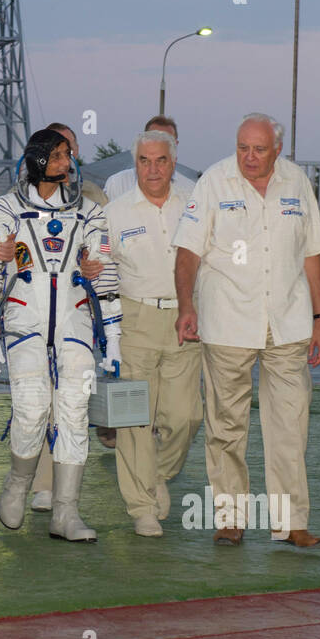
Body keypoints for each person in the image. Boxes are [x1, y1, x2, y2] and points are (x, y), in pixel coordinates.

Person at [172, 113, 320, 548]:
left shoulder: (297, 182)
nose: (249, 157)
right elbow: (187, 251)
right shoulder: (213, 183)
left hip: (289, 324)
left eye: (259, 149)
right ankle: (230, 518)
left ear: (277, 149)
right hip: (226, 324)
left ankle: (291, 522)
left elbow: (313, 253)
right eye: (243, 147)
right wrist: (186, 305)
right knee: (226, 427)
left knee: (290, 426)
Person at [0, 128, 121, 542]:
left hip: (75, 322)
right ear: (40, 160)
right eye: (60, 155)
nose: (68, 162)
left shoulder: (89, 212)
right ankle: (18, 483)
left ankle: (66, 512)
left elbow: (105, 271)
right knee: (31, 406)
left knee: (75, 409)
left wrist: (113, 335)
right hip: (24, 321)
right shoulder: (4, 209)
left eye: (69, 155)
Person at [106, 130, 201, 536]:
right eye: (144, 161)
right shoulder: (116, 211)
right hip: (135, 320)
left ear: (173, 163)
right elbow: (100, 267)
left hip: (185, 319)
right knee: (132, 419)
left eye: (160, 160)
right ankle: (141, 505)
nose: (153, 169)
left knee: (186, 417)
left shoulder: (195, 203)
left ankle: (158, 472)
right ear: (136, 164)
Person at [104, 116, 178, 201]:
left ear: (175, 144)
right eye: (152, 137)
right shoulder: (117, 184)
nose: (158, 143)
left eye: (167, 140)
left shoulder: (191, 190)